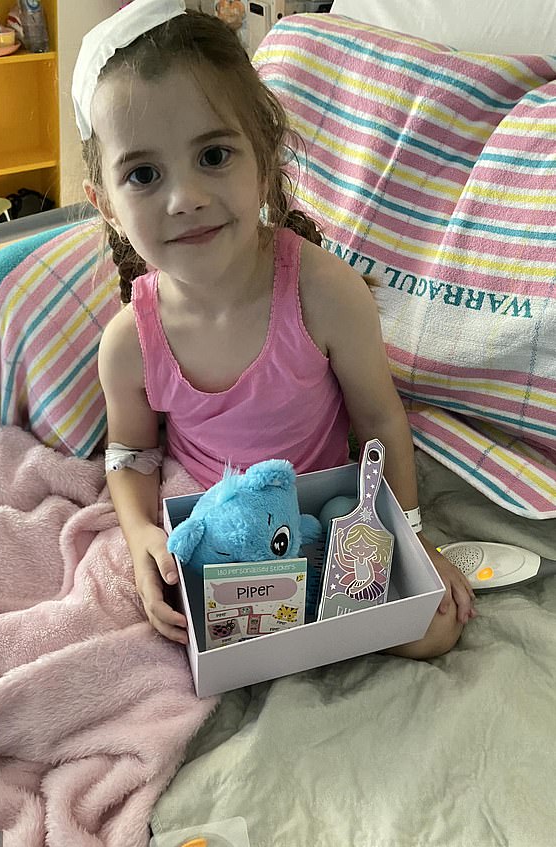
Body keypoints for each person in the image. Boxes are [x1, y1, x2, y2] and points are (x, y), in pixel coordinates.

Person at [72, 0, 476, 653]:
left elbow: (380, 421)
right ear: (107, 207)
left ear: (262, 156)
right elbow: (131, 453)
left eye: (214, 155)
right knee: (155, 630)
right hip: (211, 526)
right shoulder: (128, 342)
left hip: (318, 516)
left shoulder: (324, 293)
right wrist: (141, 533)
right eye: (144, 174)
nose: (185, 198)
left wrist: (414, 537)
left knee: (432, 631)